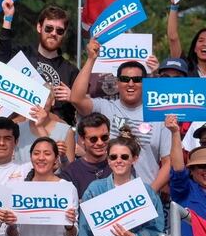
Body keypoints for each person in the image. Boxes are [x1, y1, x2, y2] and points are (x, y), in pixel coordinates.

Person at [73, 40, 170, 192]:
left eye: (137, 80)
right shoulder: (105, 107)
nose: (130, 84)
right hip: (109, 194)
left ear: (145, 83)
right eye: (125, 79)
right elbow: (76, 98)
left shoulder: (158, 116)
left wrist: (151, 192)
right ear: (117, 83)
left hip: (147, 194)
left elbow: (168, 162)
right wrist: (91, 58)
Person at [0, 0, 79, 124]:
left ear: (64, 34)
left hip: (55, 136)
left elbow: (85, 109)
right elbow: (0, 60)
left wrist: (74, 98)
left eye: (59, 30)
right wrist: (8, 18)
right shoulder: (21, 55)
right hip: (20, 131)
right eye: (49, 28)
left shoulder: (71, 71)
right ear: (39, 27)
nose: (53, 33)